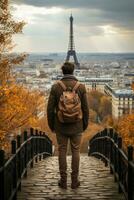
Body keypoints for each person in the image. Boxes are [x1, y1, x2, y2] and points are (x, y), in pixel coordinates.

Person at [47, 62, 89, 189]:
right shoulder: (80, 87)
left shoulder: (56, 87)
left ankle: (63, 181)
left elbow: (49, 109)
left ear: (62, 71)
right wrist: (84, 124)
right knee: (76, 151)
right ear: (73, 71)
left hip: (60, 125)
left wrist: (52, 125)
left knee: (62, 151)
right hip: (77, 125)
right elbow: (86, 109)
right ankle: (74, 181)